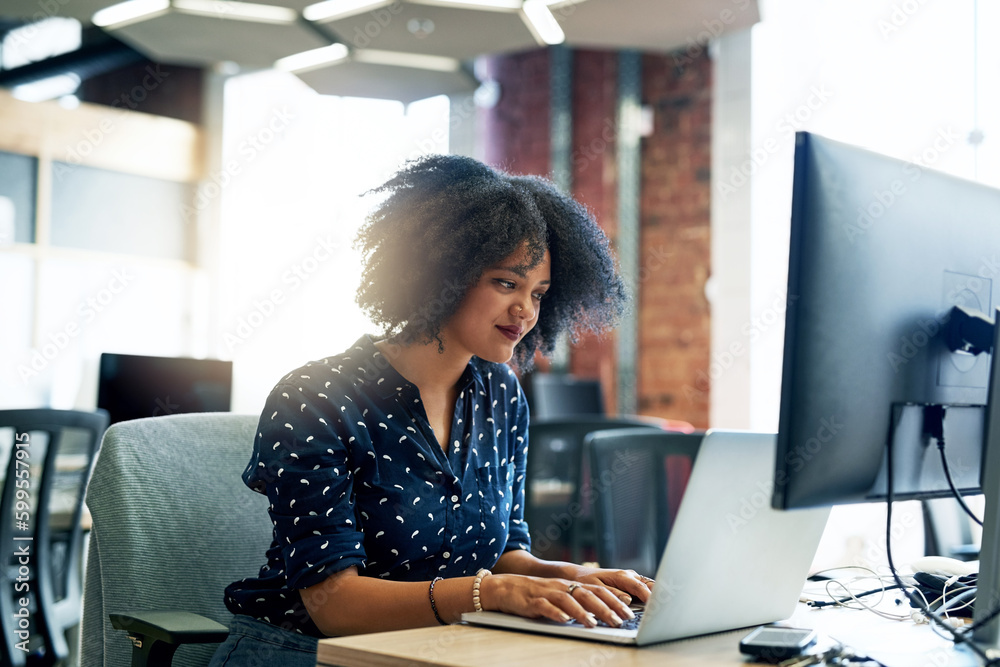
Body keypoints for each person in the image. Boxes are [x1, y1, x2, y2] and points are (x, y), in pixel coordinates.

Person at [210, 155, 652, 665]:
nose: (526, 311)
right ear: (441, 272)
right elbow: (336, 606)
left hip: (444, 650)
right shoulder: (315, 397)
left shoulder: (501, 393)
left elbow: (504, 551)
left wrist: (573, 579)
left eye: (539, 294)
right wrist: (493, 594)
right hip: (301, 651)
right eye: (506, 284)